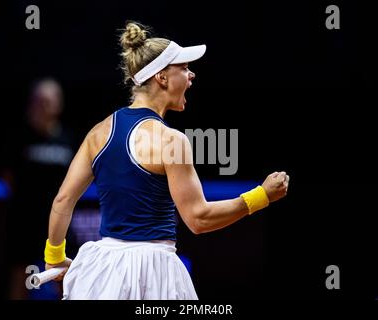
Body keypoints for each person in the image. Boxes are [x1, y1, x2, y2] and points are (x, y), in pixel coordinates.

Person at [43, 21, 289, 300]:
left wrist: (54, 257)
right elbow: (199, 219)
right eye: (184, 68)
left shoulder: (98, 132)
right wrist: (262, 196)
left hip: (103, 272)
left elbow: (63, 200)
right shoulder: (171, 141)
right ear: (161, 77)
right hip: (154, 272)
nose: (191, 75)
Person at [2, 78, 76, 299]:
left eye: (50, 101)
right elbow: (8, 177)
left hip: (58, 221)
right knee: (21, 277)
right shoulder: (18, 138)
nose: (45, 106)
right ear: (32, 103)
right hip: (24, 219)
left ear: (59, 104)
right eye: (40, 101)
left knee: (63, 276)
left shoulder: (67, 139)